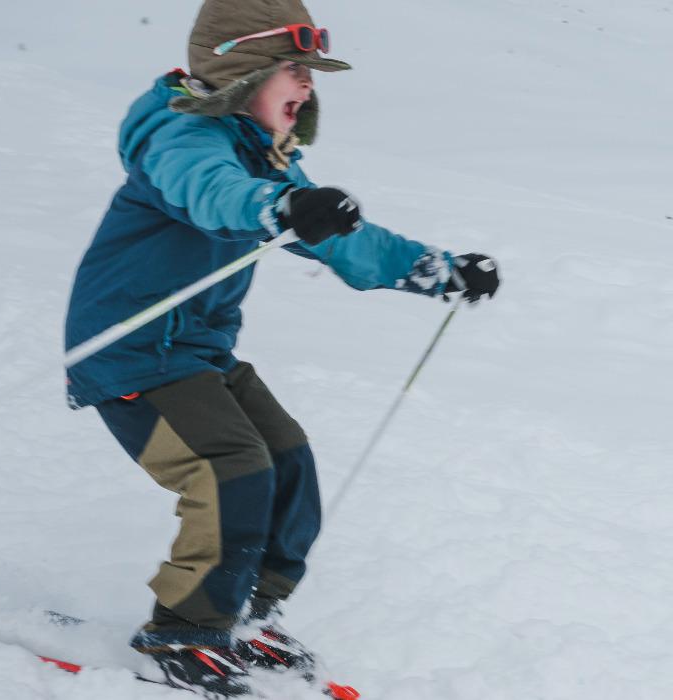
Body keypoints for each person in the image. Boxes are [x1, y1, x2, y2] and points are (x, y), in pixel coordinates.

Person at [62, 0, 498, 694]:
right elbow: (210, 192)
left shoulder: (262, 161)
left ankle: (244, 611)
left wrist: (441, 271)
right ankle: (185, 629)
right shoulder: (180, 135)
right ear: (243, 68)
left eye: (311, 73)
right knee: (231, 467)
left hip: (197, 353)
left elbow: (349, 244)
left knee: (287, 459)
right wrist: (276, 208)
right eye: (294, 69)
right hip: (131, 353)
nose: (308, 86)